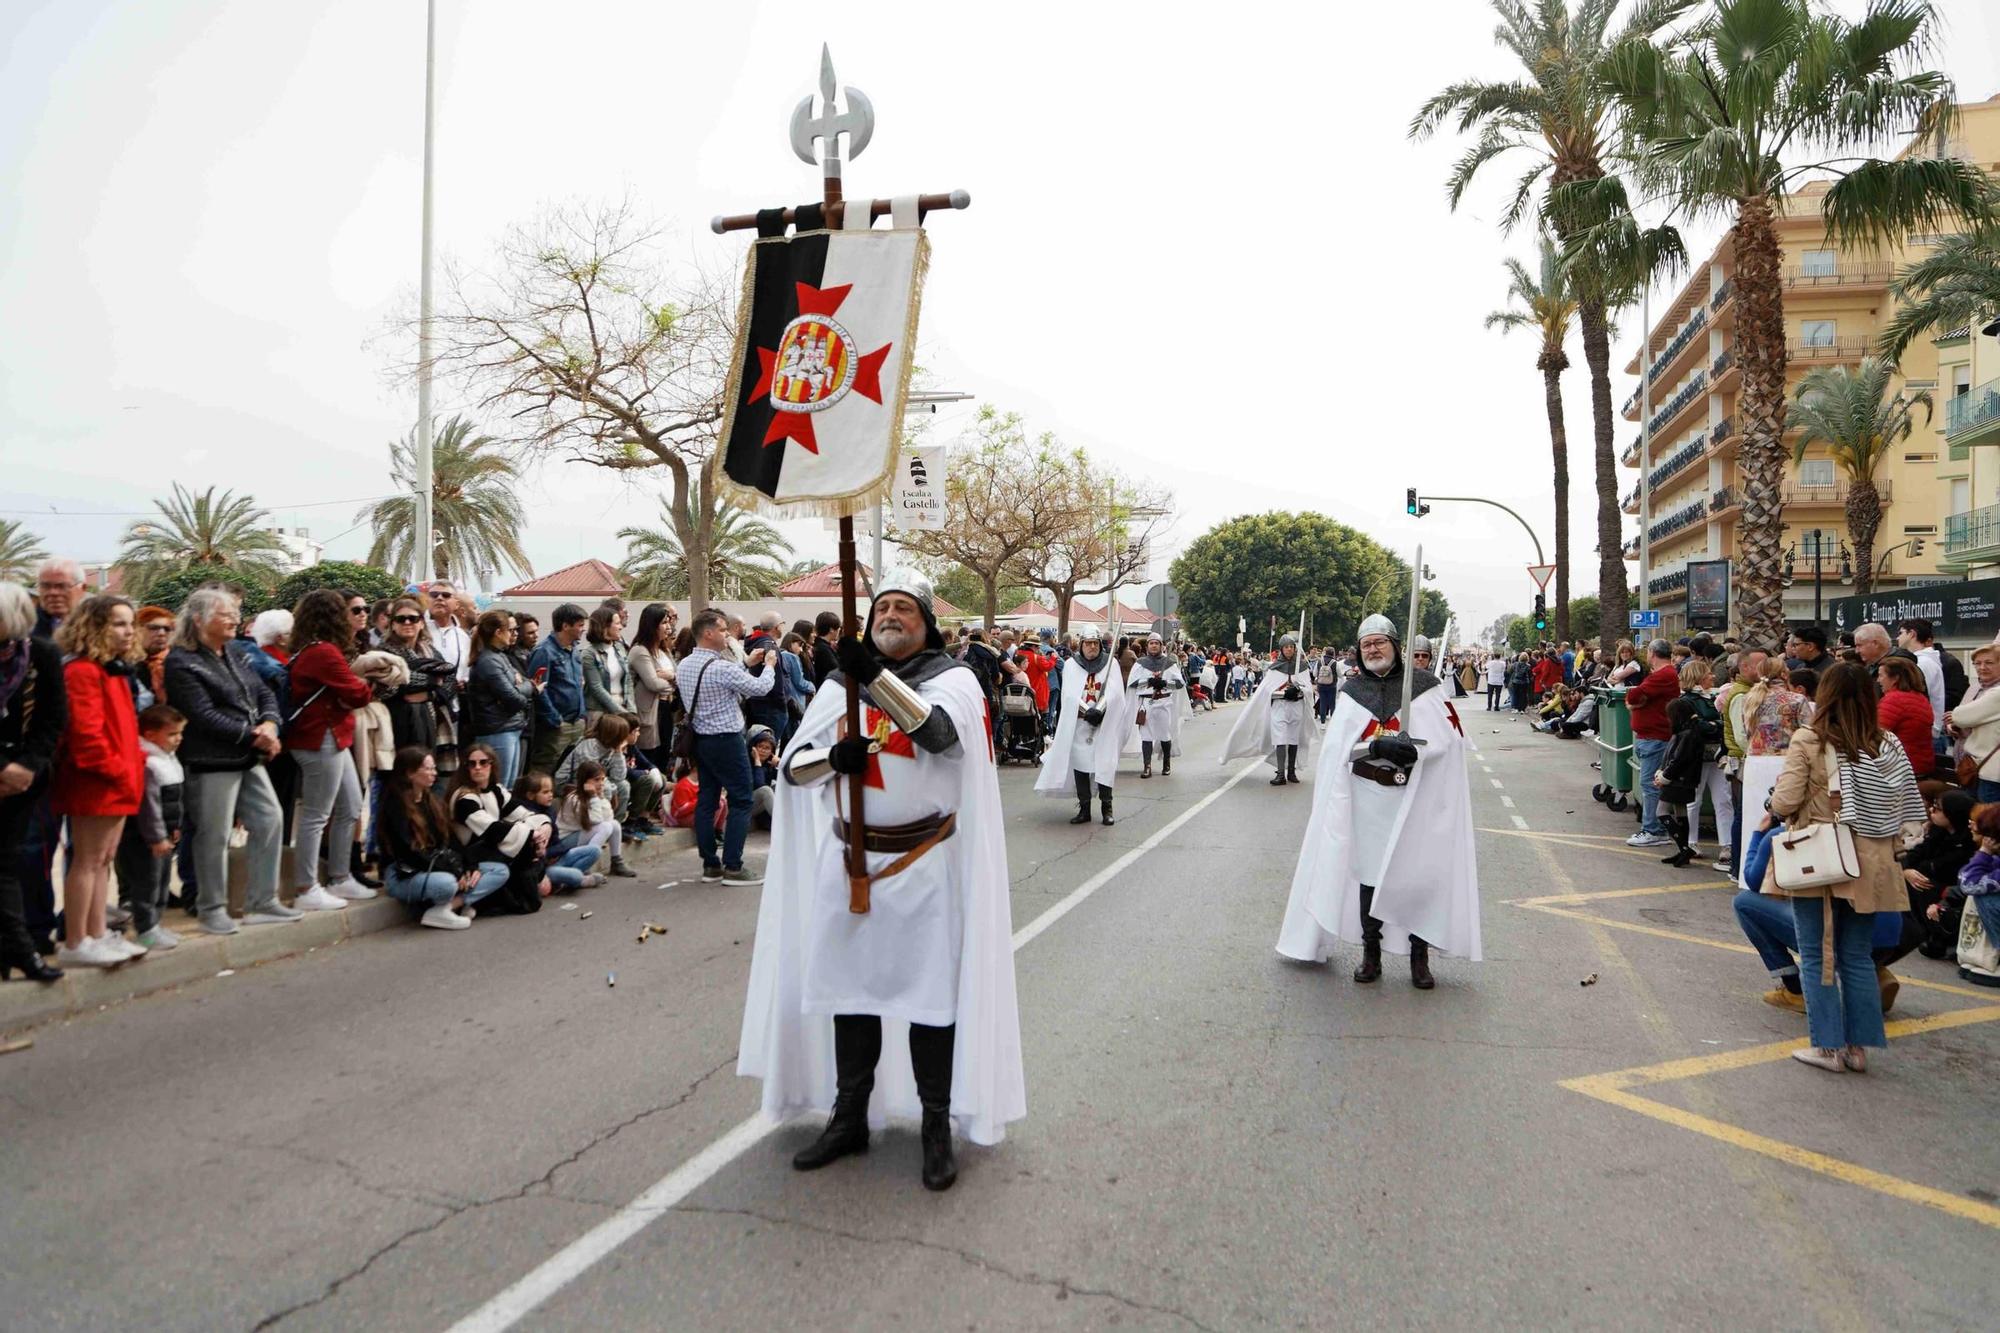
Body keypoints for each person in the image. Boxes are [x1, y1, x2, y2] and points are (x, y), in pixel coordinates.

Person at [740, 566, 1025, 1192]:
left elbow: (939, 736)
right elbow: (793, 769)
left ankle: (934, 1126)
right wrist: (831, 758)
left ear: (927, 624)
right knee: (850, 996)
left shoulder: (953, 680)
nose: (890, 615)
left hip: (921, 866)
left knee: (930, 1002)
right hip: (848, 867)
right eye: (882, 608)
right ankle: (849, 1118)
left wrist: (872, 676)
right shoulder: (837, 687)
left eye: (904, 608)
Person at [1277, 612, 1479, 990]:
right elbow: (1337, 751)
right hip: (1368, 797)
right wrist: (1373, 746)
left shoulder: (1426, 687)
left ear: (1396, 647)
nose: (1373, 649)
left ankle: (1419, 958)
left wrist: (1419, 751)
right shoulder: (1353, 692)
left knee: (1416, 876)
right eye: (1366, 644)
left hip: (1415, 798)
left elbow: (1453, 741)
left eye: (1379, 643)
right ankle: (1372, 955)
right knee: (1369, 878)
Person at [1763, 662, 1924, 1074]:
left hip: (1823, 855)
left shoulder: (1810, 739)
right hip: (1873, 859)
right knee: (1856, 955)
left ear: (1825, 696)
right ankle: (1858, 1049)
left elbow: (1785, 800)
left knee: (1816, 954)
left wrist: (1772, 804)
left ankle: (1827, 1048)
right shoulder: (1887, 742)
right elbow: (1905, 802)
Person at [165, 588, 301, 938]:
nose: (235, 620)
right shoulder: (181, 661)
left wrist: (271, 724)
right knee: (214, 835)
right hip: (210, 760)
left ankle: (262, 901)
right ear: (199, 620)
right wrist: (255, 735)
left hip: (248, 756)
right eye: (225, 614)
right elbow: (201, 714)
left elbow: (263, 692)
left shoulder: (236, 652)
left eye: (234, 614)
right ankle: (211, 909)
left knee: (269, 819)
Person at [49, 595, 146, 967]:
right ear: (94, 627)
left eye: (130, 624)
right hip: (96, 781)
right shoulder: (82, 671)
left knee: (103, 860)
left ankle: (98, 932)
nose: (128, 631)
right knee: (87, 861)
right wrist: (119, 770)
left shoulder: (111, 669)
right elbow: (86, 736)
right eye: (119, 623)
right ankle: (77, 941)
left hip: (116, 780)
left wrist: (131, 768)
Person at [283, 589, 377, 911]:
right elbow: (359, 695)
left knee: (350, 807)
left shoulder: (310, 649)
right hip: (319, 737)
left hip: (331, 736)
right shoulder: (324, 652)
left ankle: (339, 877)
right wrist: (367, 684)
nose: (356, 616)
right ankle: (306, 887)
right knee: (317, 814)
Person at [678, 607, 774, 884]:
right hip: (727, 739)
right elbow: (759, 688)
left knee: (707, 798)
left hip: (701, 739)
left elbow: (725, 682)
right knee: (742, 799)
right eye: (722, 630)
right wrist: (768, 666)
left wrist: (746, 663)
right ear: (708, 634)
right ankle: (733, 865)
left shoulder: (685, 665)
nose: (727, 635)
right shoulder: (720, 667)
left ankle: (710, 864)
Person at [0, 583, 67, 982]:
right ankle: (21, 951)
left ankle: (16, 951)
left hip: (24, 779)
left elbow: (53, 718)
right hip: (6, 773)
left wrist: (27, 767)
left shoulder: (41, 654)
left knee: (7, 865)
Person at [377, 746, 506, 930]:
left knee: (499, 871)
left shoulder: (431, 801)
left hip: (438, 864)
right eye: (428, 768)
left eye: (434, 768)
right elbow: (409, 854)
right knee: (446, 883)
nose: (434, 773)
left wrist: (467, 866)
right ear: (410, 773)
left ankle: (449, 907)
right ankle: (449, 905)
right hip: (405, 873)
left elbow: (450, 839)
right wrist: (454, 872)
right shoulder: (395, 805)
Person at [445, 742, 552, 916]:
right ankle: (459, 904)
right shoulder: (464, 798)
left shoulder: (496, 791)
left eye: (483, 763)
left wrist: (544, 826)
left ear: (492, 765)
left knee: (530, 849)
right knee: (522, 850)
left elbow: (523, 814)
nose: (477, 768)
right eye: (472, 764)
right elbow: (491, 830)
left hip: (489, 851)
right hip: (467, 857)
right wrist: (532, 834)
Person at [1036, 623, 1127, 825]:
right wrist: (1087, 711)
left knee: (1105, 764)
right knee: (1080, 766)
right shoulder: (1071, 665)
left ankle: (1107, 808)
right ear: (1081, 644)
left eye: (1095, 643)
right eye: (1088, 643)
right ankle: (1084, 809)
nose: (1092, 647)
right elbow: (1069, 695)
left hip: (1103, 725)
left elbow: (1116, 693)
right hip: (1080, 724)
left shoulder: (1110, 663)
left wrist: (1100, 709)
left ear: (1100, 644)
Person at [114, 702, 185, 954]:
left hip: (164, 835)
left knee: (162, 880)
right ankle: (145, 930)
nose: (178, 739)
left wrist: (174, 827)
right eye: (172, 734)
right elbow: (149, 807)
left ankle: (156, 924)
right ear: (150, 735)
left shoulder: (167, 758)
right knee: (147, 884)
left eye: (180, 733)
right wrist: (156, 837)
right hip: (145, 839)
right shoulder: (150, 764)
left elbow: (173, 802)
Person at [553, 714, 654, 875]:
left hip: (593, 796)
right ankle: (585, 862)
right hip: (571, 786)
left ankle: (616, 861)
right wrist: (602, 794)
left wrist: (619, 752)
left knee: (622, 790)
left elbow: (619, 777)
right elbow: (589, 779)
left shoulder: (612, 748)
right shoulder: (589, 747)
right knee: (606, 821)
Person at [1222, 632, 1314, 786]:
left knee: (1293, 739)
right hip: (1279, 706)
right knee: (1280, 739)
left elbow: (1309, 689)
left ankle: (1291, 771)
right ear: (1281, 649)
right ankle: (1280, 773)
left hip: (1296, 707)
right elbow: (1266, 690)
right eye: (1286, 647)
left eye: (1291, 647)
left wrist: (1299, 690)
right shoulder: (1274, 669)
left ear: (1294, 648)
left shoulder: (1302, 667)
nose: (1289, 649)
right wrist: (1280, 690)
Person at [465, 609, 536, 792]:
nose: (514, 634)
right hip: (497, 729)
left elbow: (519, 685)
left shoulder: (500, 656)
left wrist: (523, 686)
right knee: (497, 786)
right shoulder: (489, 661)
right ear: (498, 632)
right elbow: (513, 698)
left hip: (509, 726)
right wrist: (529, 688)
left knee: (508, 787)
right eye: (510, 630)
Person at [1623, 640, 1680, 849]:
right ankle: (1654, 827)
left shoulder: (1662, 675)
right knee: (1650, 784)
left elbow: (1634, 695)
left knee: (1650, 785)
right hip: (1650, 737)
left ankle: (1654, 830)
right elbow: (1638, 697)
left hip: (1654, 737)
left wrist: (1634, 701)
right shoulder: (1662, 675)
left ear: (1652, 653)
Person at [527, 604, 589, 775]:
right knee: (544, 771)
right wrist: (555, 719)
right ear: (565, 626)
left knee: (570, 773)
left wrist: (582, 715)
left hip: (577, 722)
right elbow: (539, 689)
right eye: (580, 625)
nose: (583, 629)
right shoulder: (544, 652)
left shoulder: (574, 650)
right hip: (556, 726)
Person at [1945, 644, 2000, 802]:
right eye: (1977, 663)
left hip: (1991, 772)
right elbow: (1960, 718)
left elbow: (1960, 715)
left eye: (1989, 663)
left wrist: (1959, 718)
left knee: (1985, 815)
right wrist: (1955, 723)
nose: (1982, 667)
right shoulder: (1974, 688)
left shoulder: (1996, 692)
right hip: (1973, 767)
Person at [627, 603, 678, 770]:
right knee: (650, 756)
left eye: (669, 622)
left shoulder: (664, 651)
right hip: (649, 710)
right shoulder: (640, 651)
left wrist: (671, 677)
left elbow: (678, 676)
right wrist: (672, 683)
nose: (668, 627)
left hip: (666, 707)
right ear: (652, 625)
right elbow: (653, 683)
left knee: (664, 752)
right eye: (664, 623)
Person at [1127, 632, 1184, 779]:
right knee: (1146, 736)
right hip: (1146, 703)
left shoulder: (1169, 663)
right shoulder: (1140, 663)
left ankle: (1166, 763)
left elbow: (1179, 683)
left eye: (1156, 643)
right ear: (1147, 646)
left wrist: (1165, 683)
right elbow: (1132, 683)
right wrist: (1148, 681)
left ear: (1161, 646)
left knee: (1165, 734)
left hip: (1164, 702)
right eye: (1151, 643)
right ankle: (1147, 766)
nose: (1153, 646)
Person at [1876, 656, 1935, 781]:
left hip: (1901, 769)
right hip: (1921, 765)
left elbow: (1876, 735)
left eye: (1881, 675)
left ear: (1895, 678)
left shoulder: (1894, 700)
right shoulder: (1920, 698)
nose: (1878, 680)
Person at [580, 605, 635, 729]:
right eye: (617, 623)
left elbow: (628, 680)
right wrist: (621, 712)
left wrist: (631, 710)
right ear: (605, 626)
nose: (621, 627)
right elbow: (596, 688)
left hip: (623, 708)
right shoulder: (589, 654)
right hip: (600, 713)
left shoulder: (620, 648)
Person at [424, 581, 473, 685]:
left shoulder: (463, 637)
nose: (439, 598)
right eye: (434, 595)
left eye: (446, 595)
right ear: (427, 601)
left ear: (456, 604)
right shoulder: (418, 631)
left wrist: (464, 681)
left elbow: (466, 671)